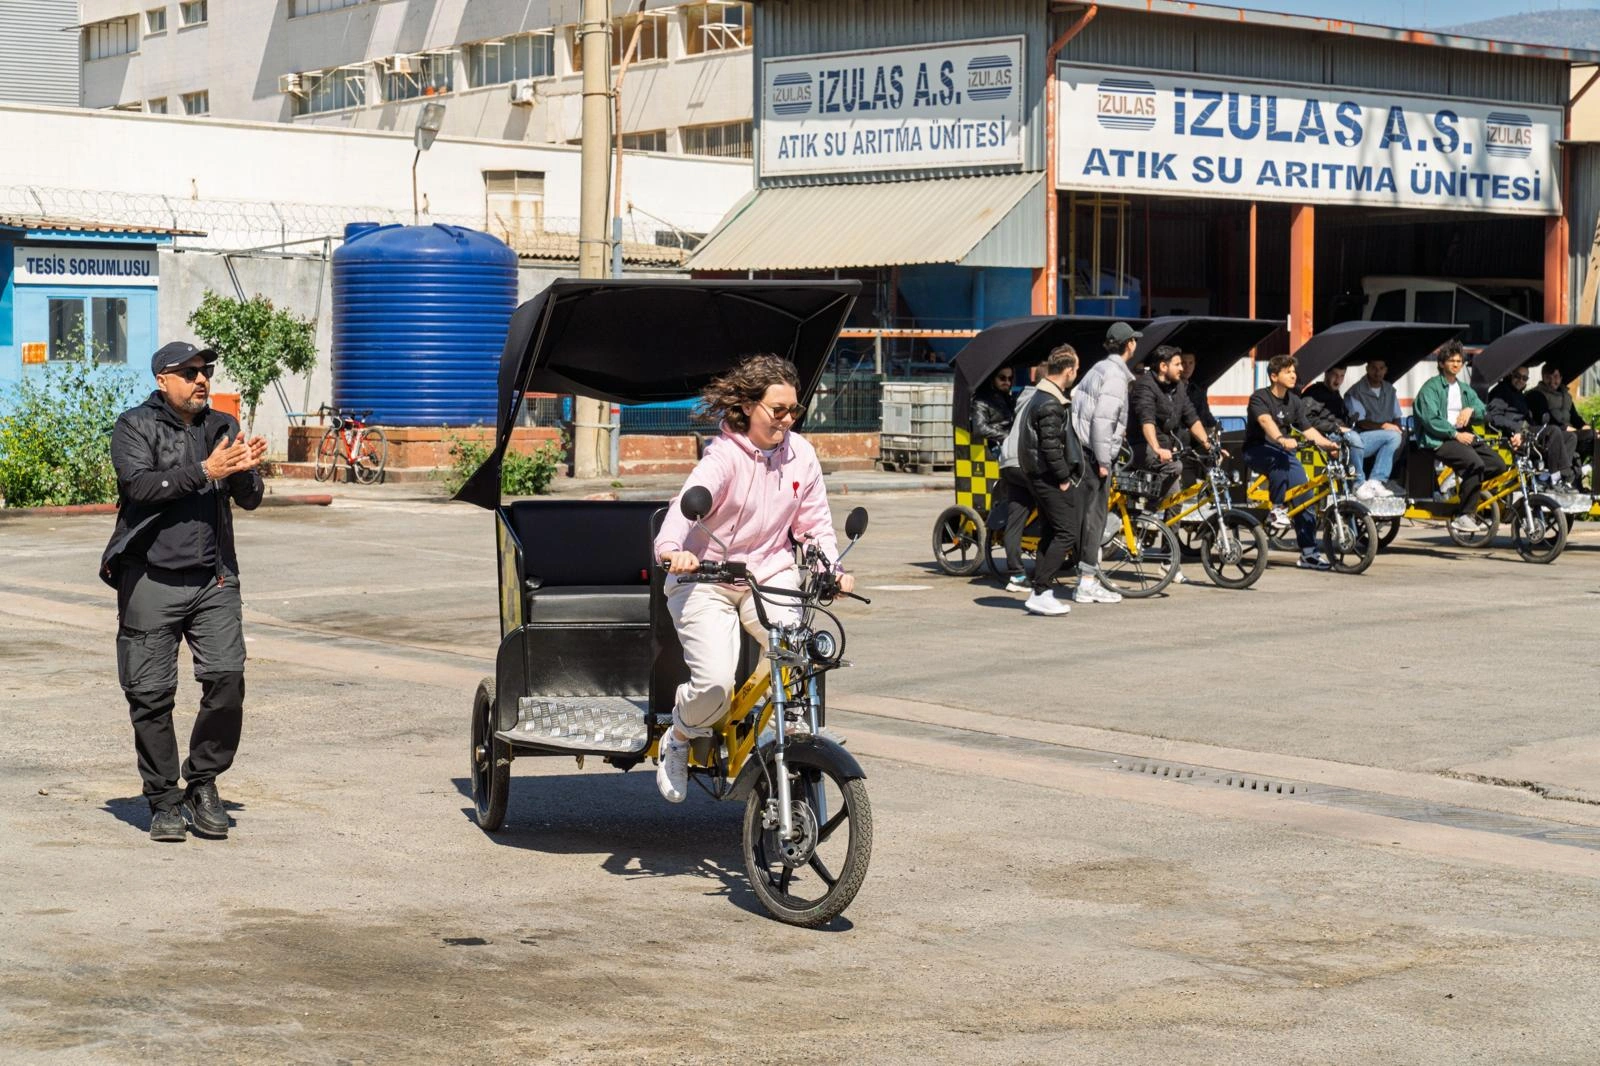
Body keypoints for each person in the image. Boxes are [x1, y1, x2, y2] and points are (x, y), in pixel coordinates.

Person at [652, 354, 854, 804]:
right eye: (777, 410)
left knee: (796, 652)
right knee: (715, 685)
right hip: (707, 578)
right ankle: (680, 737)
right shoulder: (724, 457)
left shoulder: (801, 455)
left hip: (768, 573)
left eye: (793, 411)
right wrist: (672, 552)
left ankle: (786, 735)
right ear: (747, 407)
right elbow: (682, 509)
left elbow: (815, 525)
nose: (786, 420)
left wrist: (832, 572)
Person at [100, 341, 267, 843]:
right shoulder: (134, 426)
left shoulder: (222, 427)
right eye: (189, 371)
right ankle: (163, 799)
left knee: (226, 680)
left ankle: (202, 781)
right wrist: (206, 471)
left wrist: (245, 470)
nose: (201, 379)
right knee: (149, 695)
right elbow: (141, 487)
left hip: (213, 580)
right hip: (150, 577)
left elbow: (250, 499)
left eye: (205, 371)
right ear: (162, 380)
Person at [1069, 321, 1143, 605]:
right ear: (1129, 344)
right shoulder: (1114, 375)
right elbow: (1103, 420)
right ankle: (1086, 583)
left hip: (1082, 450)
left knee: (1087, 519)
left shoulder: (1098, 368)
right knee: (1094, 519)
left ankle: (1086, 578)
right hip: (1094, 454)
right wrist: (1103, 460)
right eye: (1134, 340)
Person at [1243, 354, 1340, 570]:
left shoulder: (1294, 401)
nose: (1293, 375)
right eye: (1288, 372)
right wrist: (1280, 439)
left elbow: (1308, 429)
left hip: (1284, 453)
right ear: (1274, 376)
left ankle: (1309, 553)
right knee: (1279, 460)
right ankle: (1277, 508)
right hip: (1257, 450)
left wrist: (1327, 444)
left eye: (1294, 372)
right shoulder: (1259, 397)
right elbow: (1265, 421)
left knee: (1305, 496)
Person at [1014, 345, 1085, 616]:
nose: (1076, 374)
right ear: (1068, 371)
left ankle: (1041, 592)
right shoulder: (1049, 403)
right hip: (1047, 476)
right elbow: (1051, 446)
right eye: (1076, 369)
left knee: (1051, 532)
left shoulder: (1043, 396)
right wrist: (1063, 477)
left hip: (1038, 474)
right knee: (1067, 531)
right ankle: (1041, 589)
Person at [1413, 340, 1506, 536]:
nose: (1456, 364)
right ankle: (1464, 515)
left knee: (1497, 464)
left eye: (1459, 360)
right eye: (1451, 360)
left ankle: (1464, 489)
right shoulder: (1430, 388)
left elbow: (1483, 410)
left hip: (1463, 435)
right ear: (1441, 363)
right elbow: (1430, 420)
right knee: (1475, 464)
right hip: (1438, 440)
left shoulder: (1464, 388)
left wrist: (1471, 409)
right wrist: (1455, 434)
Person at [1129, 344, 1217, 501]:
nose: (1182, 368)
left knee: (1175, 500)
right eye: (1177, 364)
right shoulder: (1145, 386)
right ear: (1163, 366)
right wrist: (1157, 448)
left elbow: (1191, 417)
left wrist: (1208, 444)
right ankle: (1149, 511)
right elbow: (1146, 420)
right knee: (1175, 467)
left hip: (1166, 447)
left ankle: (1165, 523)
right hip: (1141, 445)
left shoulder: (1178, 387)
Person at [1302, 365, 1399, 499]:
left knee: (1393, 436)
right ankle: (1358, 484)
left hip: (1350, 439)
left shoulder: (1336, 395)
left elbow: (1347, 423)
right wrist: (1336, 428)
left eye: (1342, 376)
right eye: (1335, 375)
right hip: (1327, 439)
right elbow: (1307, 421)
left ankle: (1375, 482)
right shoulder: (1314, 392)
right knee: (1353, 436)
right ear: (1326, 374)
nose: (1338, 380)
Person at [996, 361, 1045, 593]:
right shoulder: (1045, 400)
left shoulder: (1024, 397)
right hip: (1025, 462)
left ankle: (1016, 575)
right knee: (1056, 507)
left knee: (1015, 519)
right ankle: (1046, 569)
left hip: (1008, 461)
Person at [1526, 365, 1596, 491]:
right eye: (1549, 377)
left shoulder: (1566, 396)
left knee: (1595, 436)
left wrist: (1590, 428)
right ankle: (1564, 477)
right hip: (1553, 433)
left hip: (1571, 432)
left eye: (1556, 376)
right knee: (1575, 436)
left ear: (1561, 377)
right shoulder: (1536, 394)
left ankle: (1587, 470)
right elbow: (1546, 419)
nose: (1553, 380)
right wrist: (1571, 429)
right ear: (1543, 377)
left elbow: (1576, 419)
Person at [971, 367, 1016, 456]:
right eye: (1002, 378)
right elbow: (980, 428)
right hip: (993, 451)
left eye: (1010, 378)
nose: (1007, 382)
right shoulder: (981, 400)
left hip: (1010, 448)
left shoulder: (1009, 399)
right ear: (992, 378)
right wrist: (1008, 437)